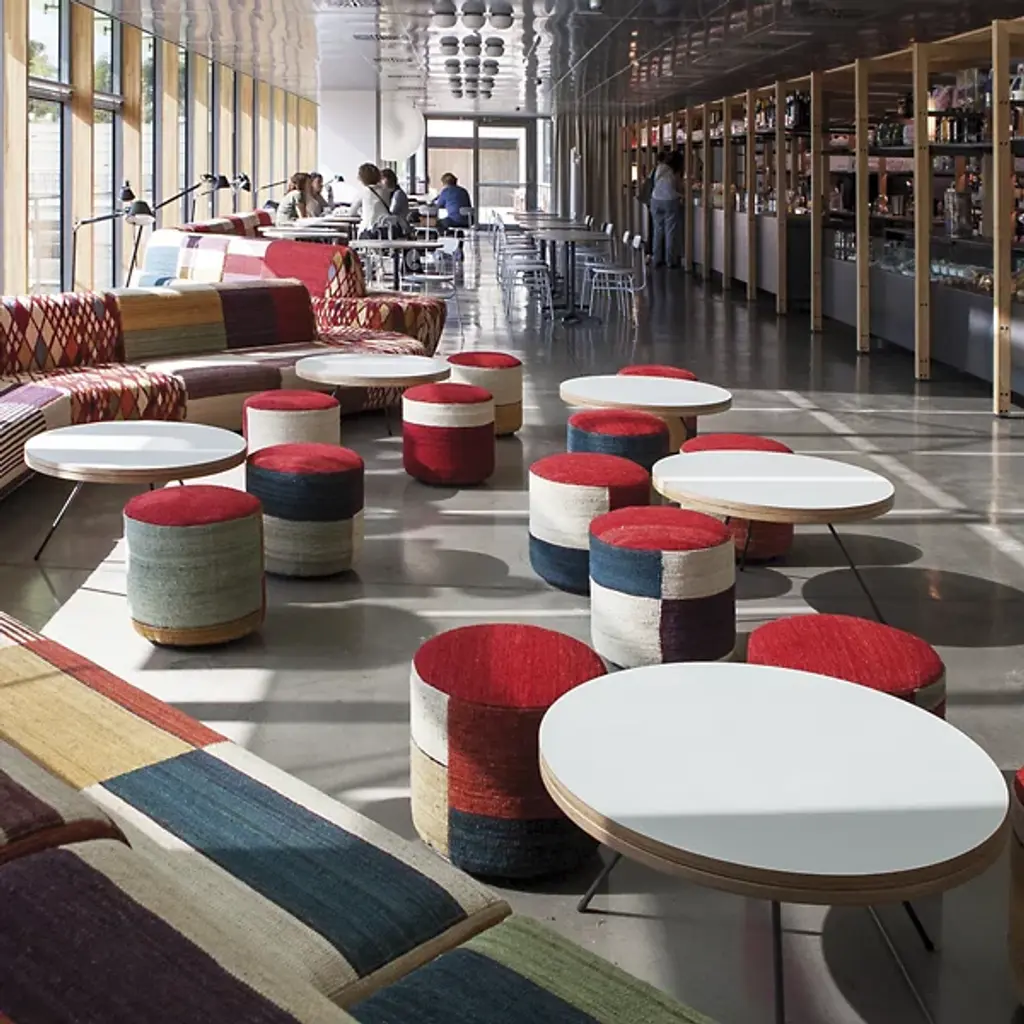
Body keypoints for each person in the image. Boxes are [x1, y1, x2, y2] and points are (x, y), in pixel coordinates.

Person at [650, 151, 683, 268]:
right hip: (670, 201)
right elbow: (678, 188)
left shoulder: (659, 168)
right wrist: (681, 195)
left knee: (658, 230)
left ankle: (656, 258)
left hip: (655, 200)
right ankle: (670, 261)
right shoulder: (675, 171)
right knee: (670, 231)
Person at [348, 163, 392, 238]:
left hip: (368, 230)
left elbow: (352, 212)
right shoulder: (386, 191)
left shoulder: (363, 192)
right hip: (386, 231)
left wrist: (361, 212)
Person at [380, 168, 411, 237]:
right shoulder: (390, 193)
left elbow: (392, 211)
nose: (380, 183)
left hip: (399, 226)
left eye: (382, 179)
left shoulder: (398, 194)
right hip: (394, 225)